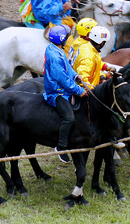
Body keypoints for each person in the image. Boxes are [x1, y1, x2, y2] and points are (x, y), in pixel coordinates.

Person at [43, 24, 88, 163]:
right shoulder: (55, 56)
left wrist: (76, 76)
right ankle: (61, 146)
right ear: (63, 40)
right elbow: (61, 78)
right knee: (69, 118)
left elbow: (67, 68)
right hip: (57, 92)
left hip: (64, 88)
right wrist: (79, 90)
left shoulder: (57, 49)